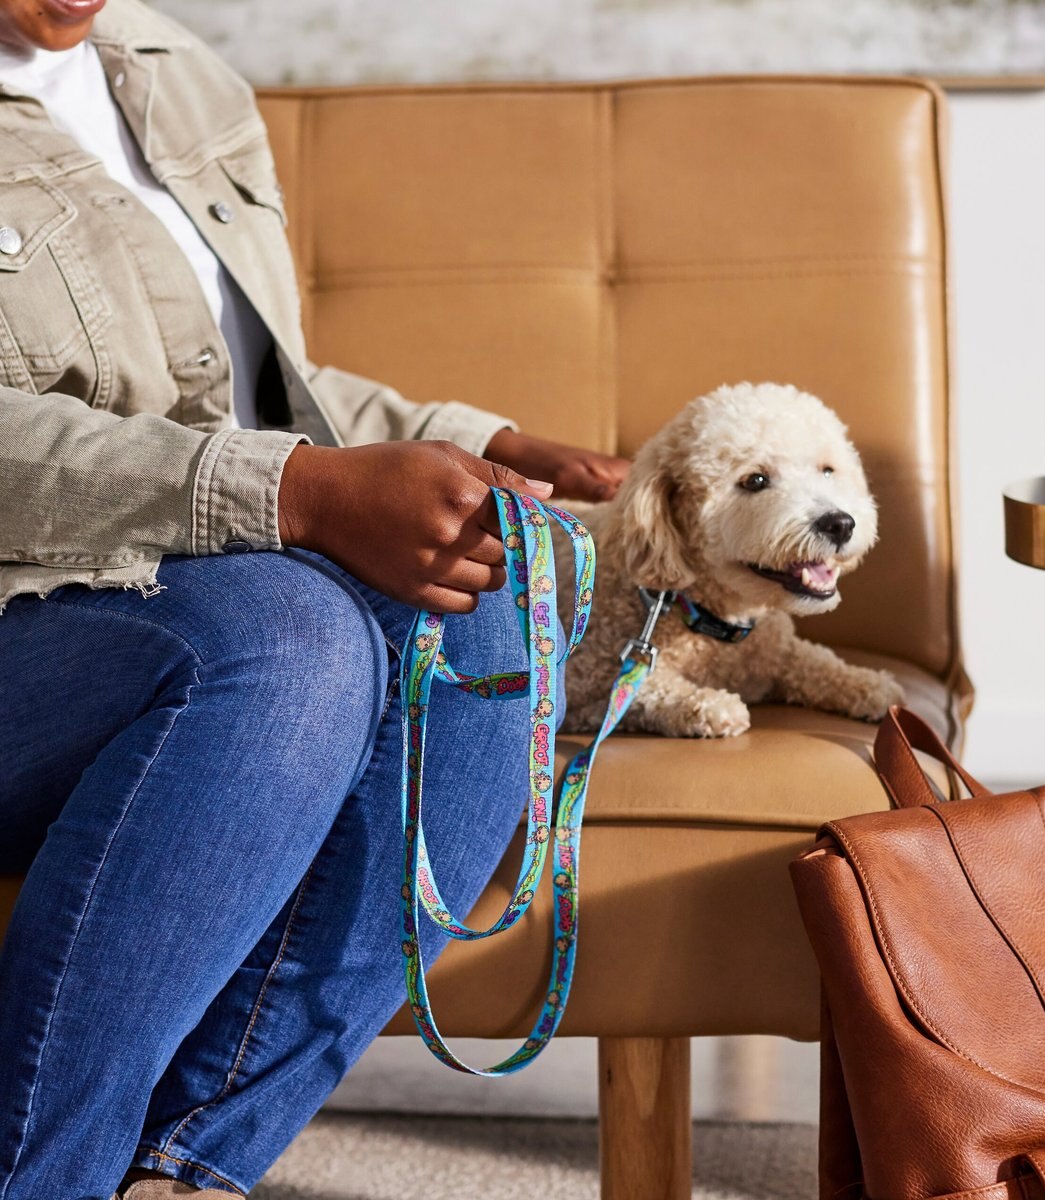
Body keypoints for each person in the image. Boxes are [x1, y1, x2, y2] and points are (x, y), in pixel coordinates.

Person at [0, 1, 629, 1196]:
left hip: (174, 582)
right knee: (284, 642)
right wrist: (302, 492)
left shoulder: (180, 74)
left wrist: (473, 444)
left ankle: (186, 1173)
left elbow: (243, 386)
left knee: (488, 608)